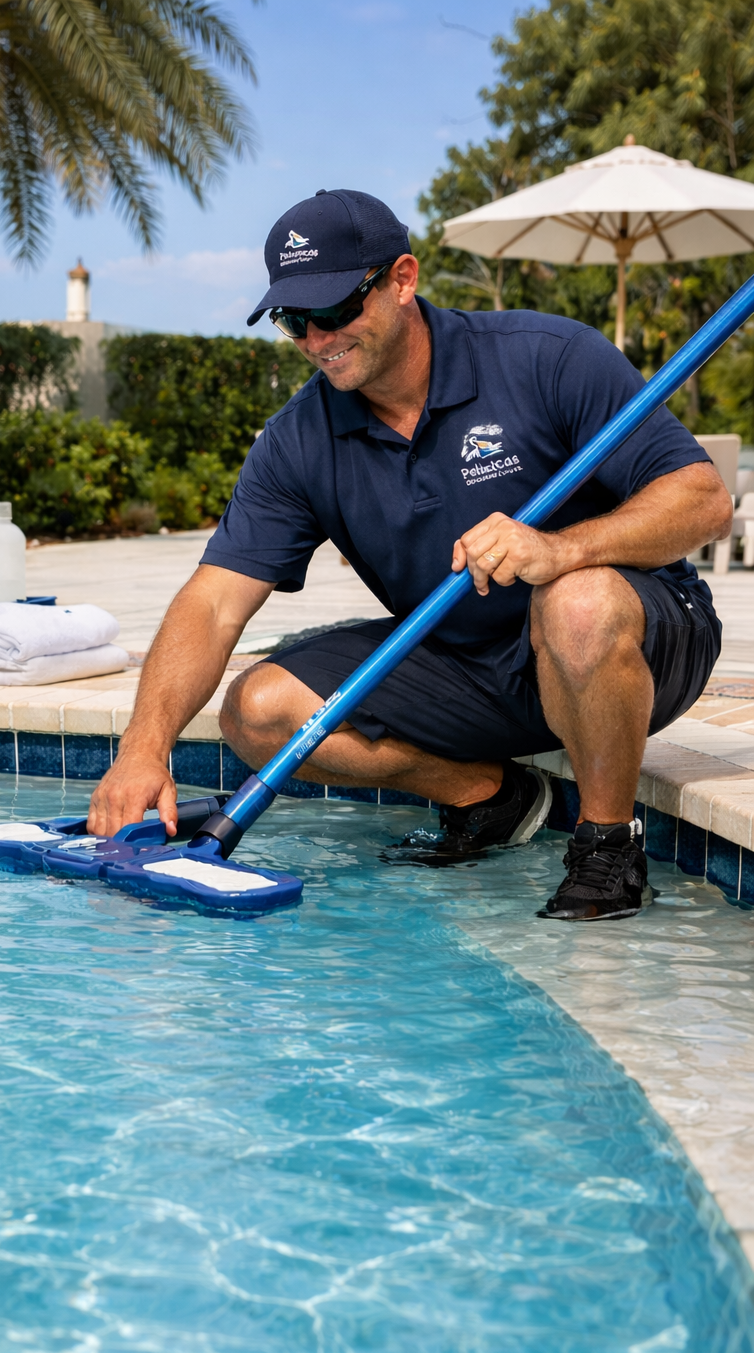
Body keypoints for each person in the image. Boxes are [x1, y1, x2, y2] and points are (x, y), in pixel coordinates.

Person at [88, 188, 732, 920]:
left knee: (576, 602)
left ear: (402, 279)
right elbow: (211, 602)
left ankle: (606, 843)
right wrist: (144, 749)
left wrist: (560, 549)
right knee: (259, 711)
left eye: (332, 311)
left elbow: (703, 499)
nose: (314, 338)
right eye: (292, 321)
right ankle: (494, 797)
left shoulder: (548, 358)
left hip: (632, 641)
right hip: (464, 660)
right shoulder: (299, 440)